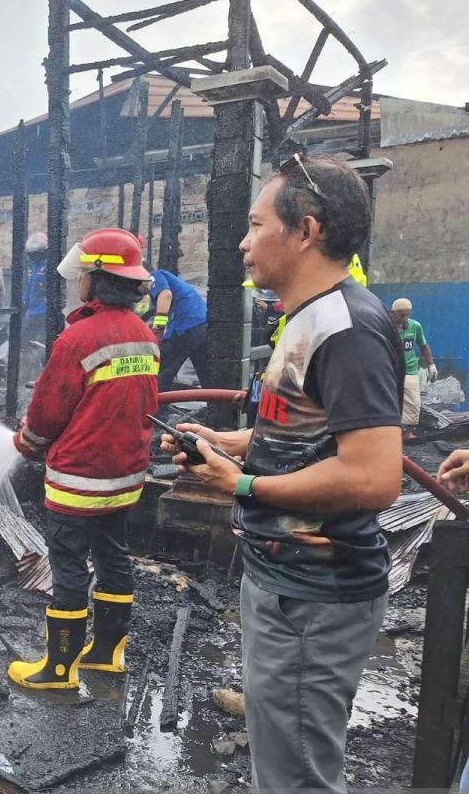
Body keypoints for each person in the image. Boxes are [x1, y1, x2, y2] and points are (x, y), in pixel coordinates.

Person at [161, 154, 403, 793]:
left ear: (306, 231)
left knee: (297, 776)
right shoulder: (306, 316)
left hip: (313, 593)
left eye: (255, 223)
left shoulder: (346, 328)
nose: (242, 241)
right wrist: (228, 441)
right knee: (284, 750)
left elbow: (375, 478)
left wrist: (239, 484)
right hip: (284, 576)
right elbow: (301, 435)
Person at [9, 228, 157, 690]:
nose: (78, 284)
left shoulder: (77, 339)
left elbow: (48, 412)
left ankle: (58, 669)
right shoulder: (143, 335)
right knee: (113, 556)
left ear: (96, 278)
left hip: (79, 481)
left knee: (68, 565)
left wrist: (26, 444)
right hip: (125, 478)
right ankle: (107, 654)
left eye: (83, 276)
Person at [148, 267, 208, 391]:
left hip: (185, 326)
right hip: (202, 325)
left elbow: (165, 295)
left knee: (162, 372)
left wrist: (157, 331)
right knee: (207, 375)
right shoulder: (172, 280)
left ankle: (158, 408)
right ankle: (215, 407)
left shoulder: (153, 275)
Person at [390, 297, 437, 439]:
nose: (405, 318)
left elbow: (423, 345)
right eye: (401, 315)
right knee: (388, 400)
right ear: (392, 313)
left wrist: (431, 365)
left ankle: (409, 431)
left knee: (413, 401)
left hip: (409, 369)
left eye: (407, 315)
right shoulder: (384, 327)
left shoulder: (414, 326)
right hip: (389, 370)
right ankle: (389, 432)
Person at [21, 233, 49, 340]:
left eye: (34, 255)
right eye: (30, 255)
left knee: (33, 341)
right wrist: (25, 302)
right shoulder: (33, 267)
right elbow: (30, 286)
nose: (31, 257)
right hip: (32, 310)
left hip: (43, 312)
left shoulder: (48, 266)